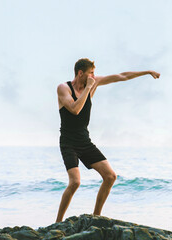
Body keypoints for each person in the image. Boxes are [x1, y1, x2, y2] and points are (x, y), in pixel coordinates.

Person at [56, 58, 160, 222]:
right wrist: (89, 88)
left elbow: (122, 76)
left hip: (84, 140)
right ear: (80, 73)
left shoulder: (93, 82)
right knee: (75, 182)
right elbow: (75, 110)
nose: (93, 76)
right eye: (91, 73)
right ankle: (58, 222)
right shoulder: (63, 88)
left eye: (94, 73)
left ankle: (96, 217)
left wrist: (147, 72)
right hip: (68, 142)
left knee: (110, 176)